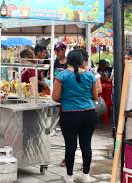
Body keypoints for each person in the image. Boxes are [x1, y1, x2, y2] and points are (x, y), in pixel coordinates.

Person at [52, 50, 98, 183]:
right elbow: (95, 96)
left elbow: (55, 97)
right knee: (86, 144)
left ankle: (70, 176)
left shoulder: (62, 75)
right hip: (89, 114)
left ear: (68, 60)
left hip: (69, 115)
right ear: (81, 61)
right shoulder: (90, 76)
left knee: (70, 146)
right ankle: (86, 175)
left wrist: (67, 99)